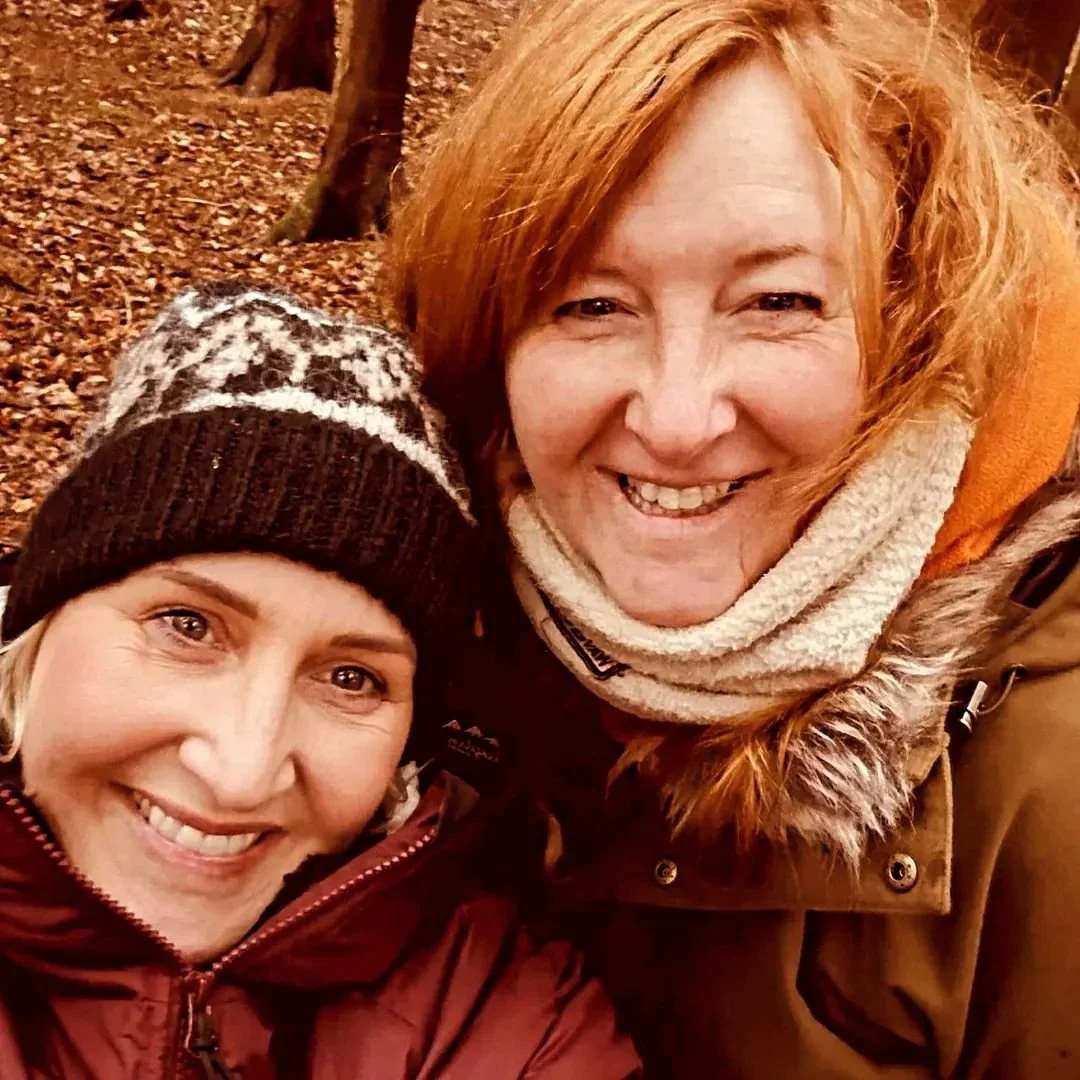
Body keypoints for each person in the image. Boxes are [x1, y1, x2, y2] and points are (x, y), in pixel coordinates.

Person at [389, 0, 1080, 1075]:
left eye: (776, 301)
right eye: (589, 305)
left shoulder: (1052, 797)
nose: (675, 417)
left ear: (912, 325)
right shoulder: (389, 667)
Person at [0, 282, 641, 1079]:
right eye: (187, 626)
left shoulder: (503, 1019)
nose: (240, 772)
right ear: (38, 620)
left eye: (351, 677)